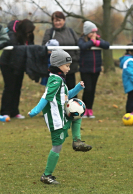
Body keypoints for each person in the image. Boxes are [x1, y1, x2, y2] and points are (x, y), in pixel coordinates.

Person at [28, 49, 91, 185]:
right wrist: (35, 110)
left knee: (77, 116)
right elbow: (46, 97)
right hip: (56, 120)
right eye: (67, 66)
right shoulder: (55, 80)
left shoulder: (59, 79)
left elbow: (66, 95)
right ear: (58, 65)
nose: (69, 68)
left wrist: (78, 88)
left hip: (63, 116)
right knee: (57, 147)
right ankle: (46, 175)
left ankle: (77, 141)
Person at [0, 19, 35, 122]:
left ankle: (14, 112)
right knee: (9, 87)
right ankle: (4, 112)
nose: (29, 34)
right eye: (28, 32)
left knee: (17, 88)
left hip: (20, 64)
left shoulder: (29, 36)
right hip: (8, 64)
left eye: (30, 32)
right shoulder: (12, 35)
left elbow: (31, 46)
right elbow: (13, 47)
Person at [42, 11, 79, 95]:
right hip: (56, 68)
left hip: (70, 67)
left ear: (64, 20)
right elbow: (44, 47)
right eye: (55, 21)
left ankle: (72, 107)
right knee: (57, 91)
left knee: (71, 89)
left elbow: (78, 45)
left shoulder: (71, 31)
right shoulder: (49, 32)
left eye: (59, 20)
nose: (58, 22)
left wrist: (76, 58)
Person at [78, 21, 109, 118]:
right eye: (92, 32)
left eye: (95, 32)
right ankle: (83, 110)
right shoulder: (82, 40)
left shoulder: (98, 39)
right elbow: (82, 47)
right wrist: (92, 42)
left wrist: (97, 42)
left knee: (92, 90)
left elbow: (106, 45)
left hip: (96, 69)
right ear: (87, 33)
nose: (94, 35)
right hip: (85, 69)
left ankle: (90, 110)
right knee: (87, 89)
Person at [119, 43, 133, 113]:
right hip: (130, 84)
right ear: (130, 52)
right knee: (131, 98)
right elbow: (131, 73)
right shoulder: (129, 60)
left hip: (130, 83)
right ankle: (129, 112)